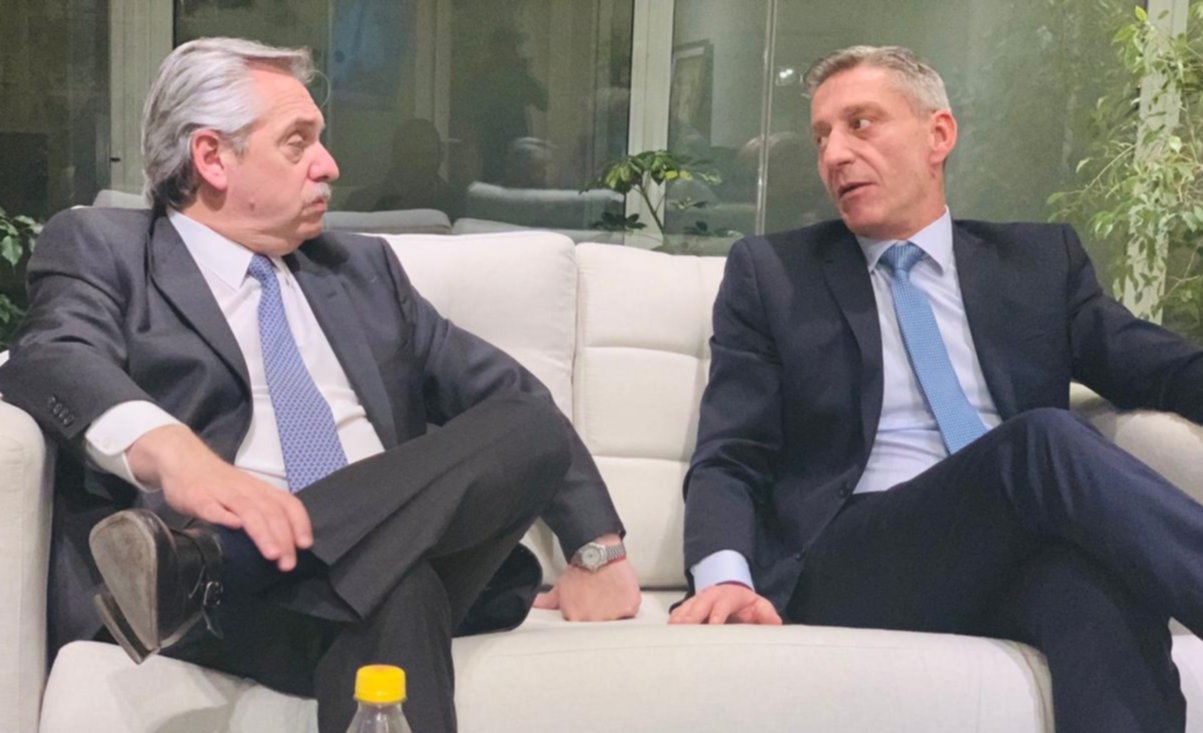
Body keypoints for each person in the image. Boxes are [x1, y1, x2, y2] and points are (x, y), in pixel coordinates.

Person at [0, 38, 640, 733]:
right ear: (211, 157)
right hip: (231, 617)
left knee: (524, 427)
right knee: (402, 583)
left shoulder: (362, 272)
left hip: (202, 583)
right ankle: (231, 556)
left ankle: (213, 562)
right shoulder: (107, 247)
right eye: (297, 142)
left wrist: (596, 546)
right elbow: (52, 355)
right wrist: (175, 454)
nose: (328, 165)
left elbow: (509, 400)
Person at [668, 44, 1203, 733]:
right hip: (856, 553)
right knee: (1042, 439)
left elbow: (1156, 366)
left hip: (1009, 547)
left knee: (1095, 589)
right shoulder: (773, 275)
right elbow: (730, 452)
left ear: (938, 135)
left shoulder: (1038, 262)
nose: (834, 154)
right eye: (822, 136)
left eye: (860, 124)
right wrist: (723, 577)